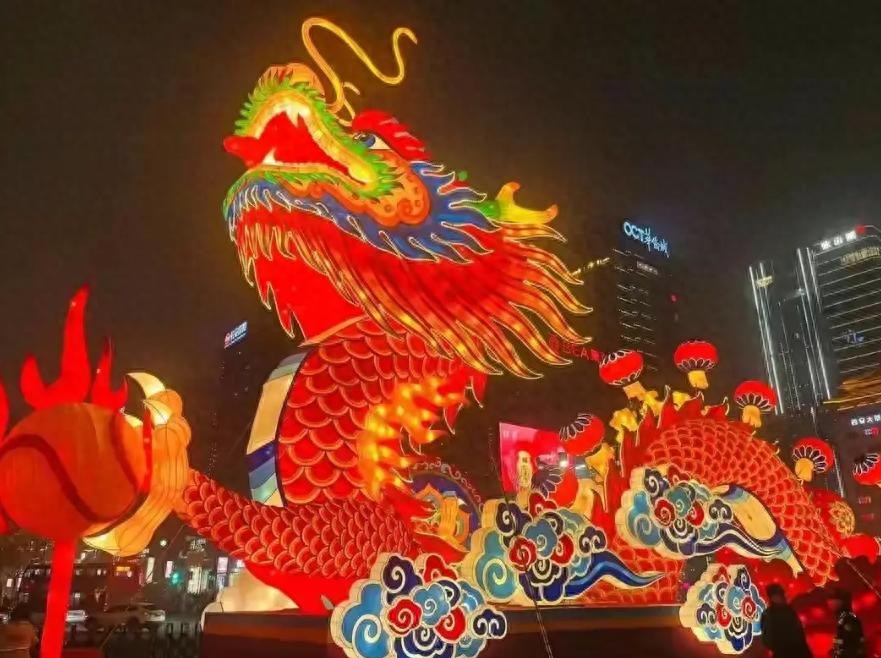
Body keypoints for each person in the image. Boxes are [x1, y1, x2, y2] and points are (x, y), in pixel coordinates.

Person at [760, 583, 812, 658]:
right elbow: (766, 635)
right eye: (775, 596)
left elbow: (799, 631)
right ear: (771, 597)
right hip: (781, 651)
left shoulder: (789, 610)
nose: (778, 598)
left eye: (779, 595)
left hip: (797, 649)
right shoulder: (768, 614)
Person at [828, 589, 865, 658]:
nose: (829, 603)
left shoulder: (849, 619)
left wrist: (839, 653)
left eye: (834, 599)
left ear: (843, 602)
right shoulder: (843, 619)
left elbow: (854, 645)